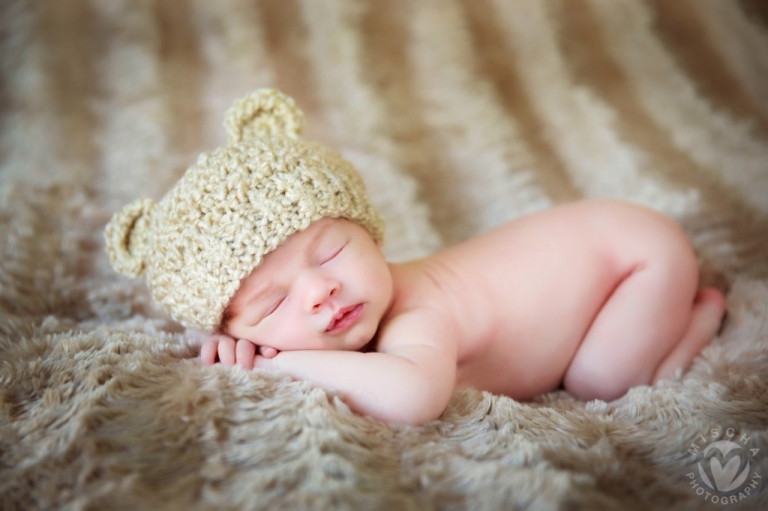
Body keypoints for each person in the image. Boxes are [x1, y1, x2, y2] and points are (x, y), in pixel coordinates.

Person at [104, 89, 726, 426]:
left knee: (602, 381)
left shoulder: (417, 315)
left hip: (635, 256)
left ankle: (698, 316)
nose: (319, 292)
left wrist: (276, 362)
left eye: (333, 251)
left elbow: (411, 398)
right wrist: (229, 345)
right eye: (272, 304)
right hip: (601, 240)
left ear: (373, 234)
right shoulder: (336, 318)